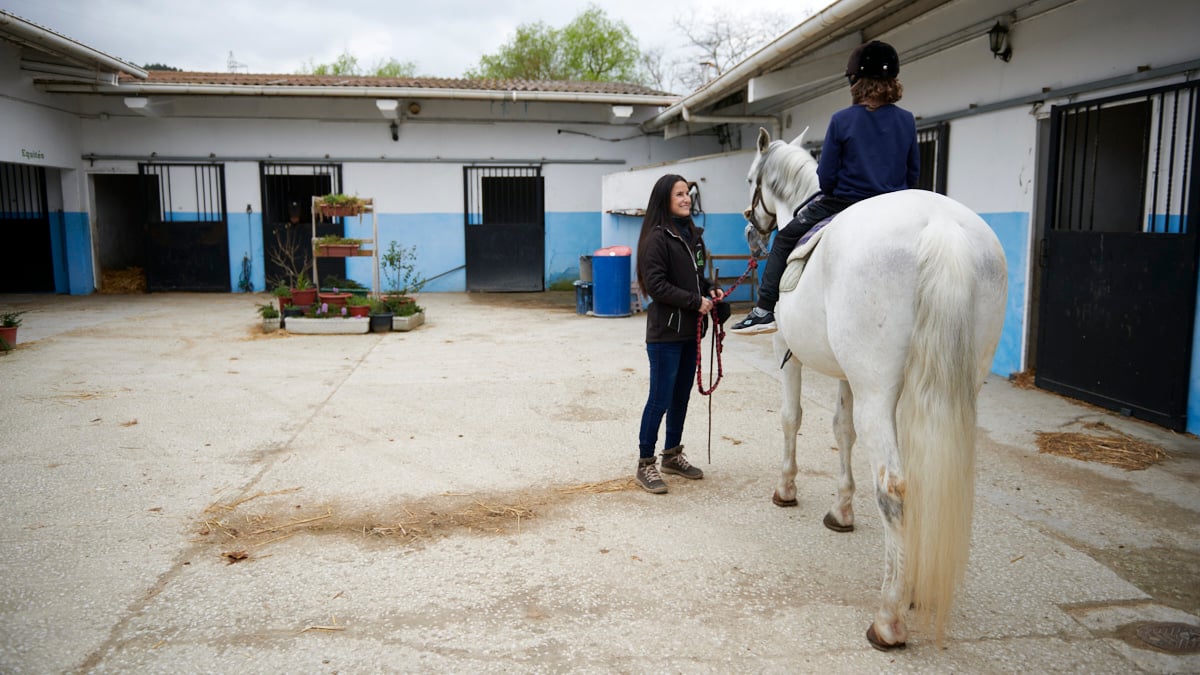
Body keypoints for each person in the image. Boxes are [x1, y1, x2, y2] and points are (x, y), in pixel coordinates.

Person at [731, 40, 919, 335]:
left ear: (855, 81)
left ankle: (764, 310)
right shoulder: (907, 120)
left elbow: (827, 177)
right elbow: (912, 174)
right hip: (893, 206)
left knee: (783, 239)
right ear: (892, 81)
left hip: (844, 202)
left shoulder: (842, 120)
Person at [633, 174, 724, 494]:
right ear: (664, 200)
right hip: (665, 333)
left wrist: (711, 290)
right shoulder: (656, 238)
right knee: (659, 399)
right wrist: (694, 301)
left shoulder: (693, 236)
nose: (686, 199)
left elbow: (698, 276)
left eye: (688, 193)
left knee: (680, 397)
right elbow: (656, 286)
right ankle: (646, 463)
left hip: (690, 331)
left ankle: (672, 455)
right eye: (679, 194)